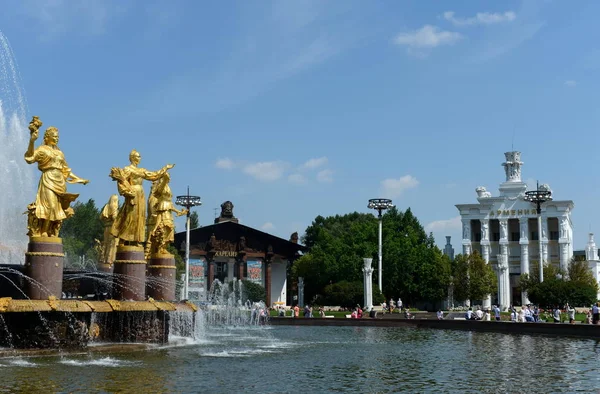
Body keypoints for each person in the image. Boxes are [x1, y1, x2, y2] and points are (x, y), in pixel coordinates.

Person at [24, 119, 89, 237]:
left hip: (60, 181)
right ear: (47, 137)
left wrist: (79, 179)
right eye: (54, 136)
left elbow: (66, 169)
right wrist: (32, 141)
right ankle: (43, 230)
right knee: (50, 206)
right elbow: (30, 158)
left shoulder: (60, 153)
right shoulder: (42, 149)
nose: (57, 138)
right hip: (48, 178)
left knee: (58, 208)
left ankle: (52, 231)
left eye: (58, 136)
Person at [110, 150, 173, 246]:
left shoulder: (141, 170)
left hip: (141, 195)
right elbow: (121, 181)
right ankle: (122, 239)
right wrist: (126, 192)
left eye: (140, 156)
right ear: (132, 157)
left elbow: (154, 175)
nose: (140, 158)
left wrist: (165, 168)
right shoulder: (127, 169)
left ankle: (136, 239)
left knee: (140, 217)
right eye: (138, 156)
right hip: (133, 194)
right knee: (130, 215)